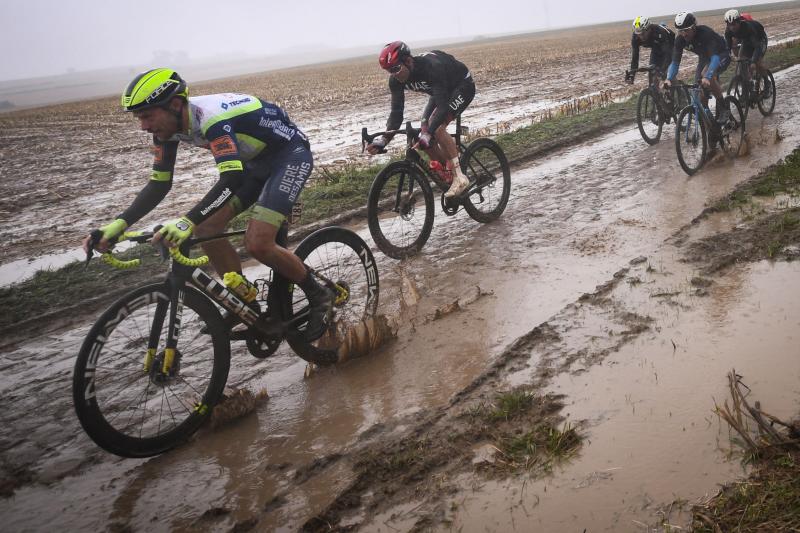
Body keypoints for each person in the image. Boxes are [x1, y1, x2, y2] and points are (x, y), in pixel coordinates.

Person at [82, 68, 332, 340]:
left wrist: (186, 221)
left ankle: (321, 295)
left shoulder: (212, 119)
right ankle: (243, 300)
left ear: (175, 105)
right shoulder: (167, 129)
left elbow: (231, 178)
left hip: (288, 157)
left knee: (258, 243)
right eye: (138, 118)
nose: (143, 126)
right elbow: (159, 185)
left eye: (147, 115)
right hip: (253, 164)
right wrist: (119, 224)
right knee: (206, 227)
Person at [366, 41, 475, 198]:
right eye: (389, 71)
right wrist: (383, 139)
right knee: (423, 134)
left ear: (408, 61)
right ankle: (447, 170)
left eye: (396, 68)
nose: (394, 74)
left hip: (461, 85)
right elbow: (396, 114)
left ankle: (459, 176)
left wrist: (430, 133)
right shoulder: (395, 80)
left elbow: (443, 108)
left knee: (436, 128)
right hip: (440, 92)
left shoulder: (431, 67)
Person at [664, 12, 731, 124]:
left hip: (720, 54)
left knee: (706, 75)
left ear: (694, 27)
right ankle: (710, 124)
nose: (684, 34)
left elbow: (714, 59)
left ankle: (724, 108)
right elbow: (675, 63)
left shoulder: (705, 33)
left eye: (686, 30)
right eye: (680, 31)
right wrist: (669, 79)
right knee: (698, 92)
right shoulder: (680, 40)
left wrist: (708, 77)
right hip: (705, 58)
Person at [724, 9, 769, 89]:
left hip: (760, 39)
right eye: (729, 24)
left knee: (757, 63)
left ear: (739, 22)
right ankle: (748, 82)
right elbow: (728, 46)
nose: (732, 27)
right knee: (742, 60)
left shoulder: (747, 28)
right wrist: (728, 56)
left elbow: (757, 47)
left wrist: (753, 61)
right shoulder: (728, 31)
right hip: (746, 40)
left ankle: (767, 82)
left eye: (734, 24)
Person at [627, 16, 675, 83]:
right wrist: (632, 74)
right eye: (638, 34)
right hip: (656, 48)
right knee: (652, 75)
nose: (641, 36)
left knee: (665, 74)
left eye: (643, 33)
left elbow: (668, 54)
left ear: (648, 29)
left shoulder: (658, 32)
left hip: (669, 44)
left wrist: (663, 70)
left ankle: (674, 87)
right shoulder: (636, 37)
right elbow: (635, 57)